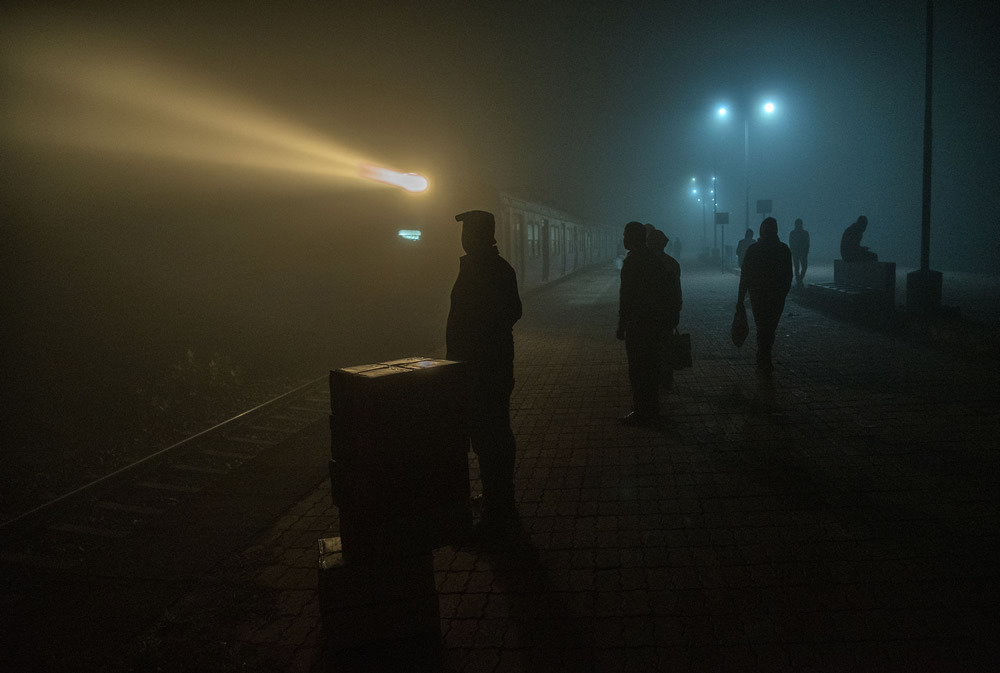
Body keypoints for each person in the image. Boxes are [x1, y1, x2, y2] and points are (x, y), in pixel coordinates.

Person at [446, 209, 522, 539]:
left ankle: (496, 514)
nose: (462, 238)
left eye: (467, 232)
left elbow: (474, 321)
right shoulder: (497, 267)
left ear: (479, 235)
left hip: (481, 371)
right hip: (489, 367)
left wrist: (471, 357)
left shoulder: (483, 269)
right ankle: (499, 501)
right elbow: (513, 311)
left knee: (489, 439)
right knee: (494, 436)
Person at [616, 221, 663, 426]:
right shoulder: (654, 260)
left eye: (626, 234)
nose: (624, 238)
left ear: (633, 237)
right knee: (651, 368)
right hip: (654, 322)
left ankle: (641, 411)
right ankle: (652, 408)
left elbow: (626, 297)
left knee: (637, 369)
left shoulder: (633, 261)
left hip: (637, 324)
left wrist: (621, 324)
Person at [737, 217, 792, 374]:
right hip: (776, 297)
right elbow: (788, 275)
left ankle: (763, 355)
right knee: (769, 327)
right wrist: (782, 293)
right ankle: (764, 356)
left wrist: (740, 298)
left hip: (759, 295)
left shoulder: (754, 250)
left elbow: (745, 276)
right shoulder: (783, 249)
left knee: (763, 327)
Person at [647, 228, 682, 390]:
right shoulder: (673, 264)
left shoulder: (645, 264)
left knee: (651, 348)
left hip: (649, 314)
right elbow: (677, 291)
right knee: (666, 345)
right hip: (668, 313)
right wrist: (677, 311)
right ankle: (667, 377)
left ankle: (654, 377)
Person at [789, 218, 810, 288]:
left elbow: (807, 243)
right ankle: (799, 279)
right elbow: (791, 243)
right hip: (798, 252)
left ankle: (799, 279)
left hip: (800, 252)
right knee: (798, 267)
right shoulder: (804, 233)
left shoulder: (793, 233)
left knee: (802, 267)